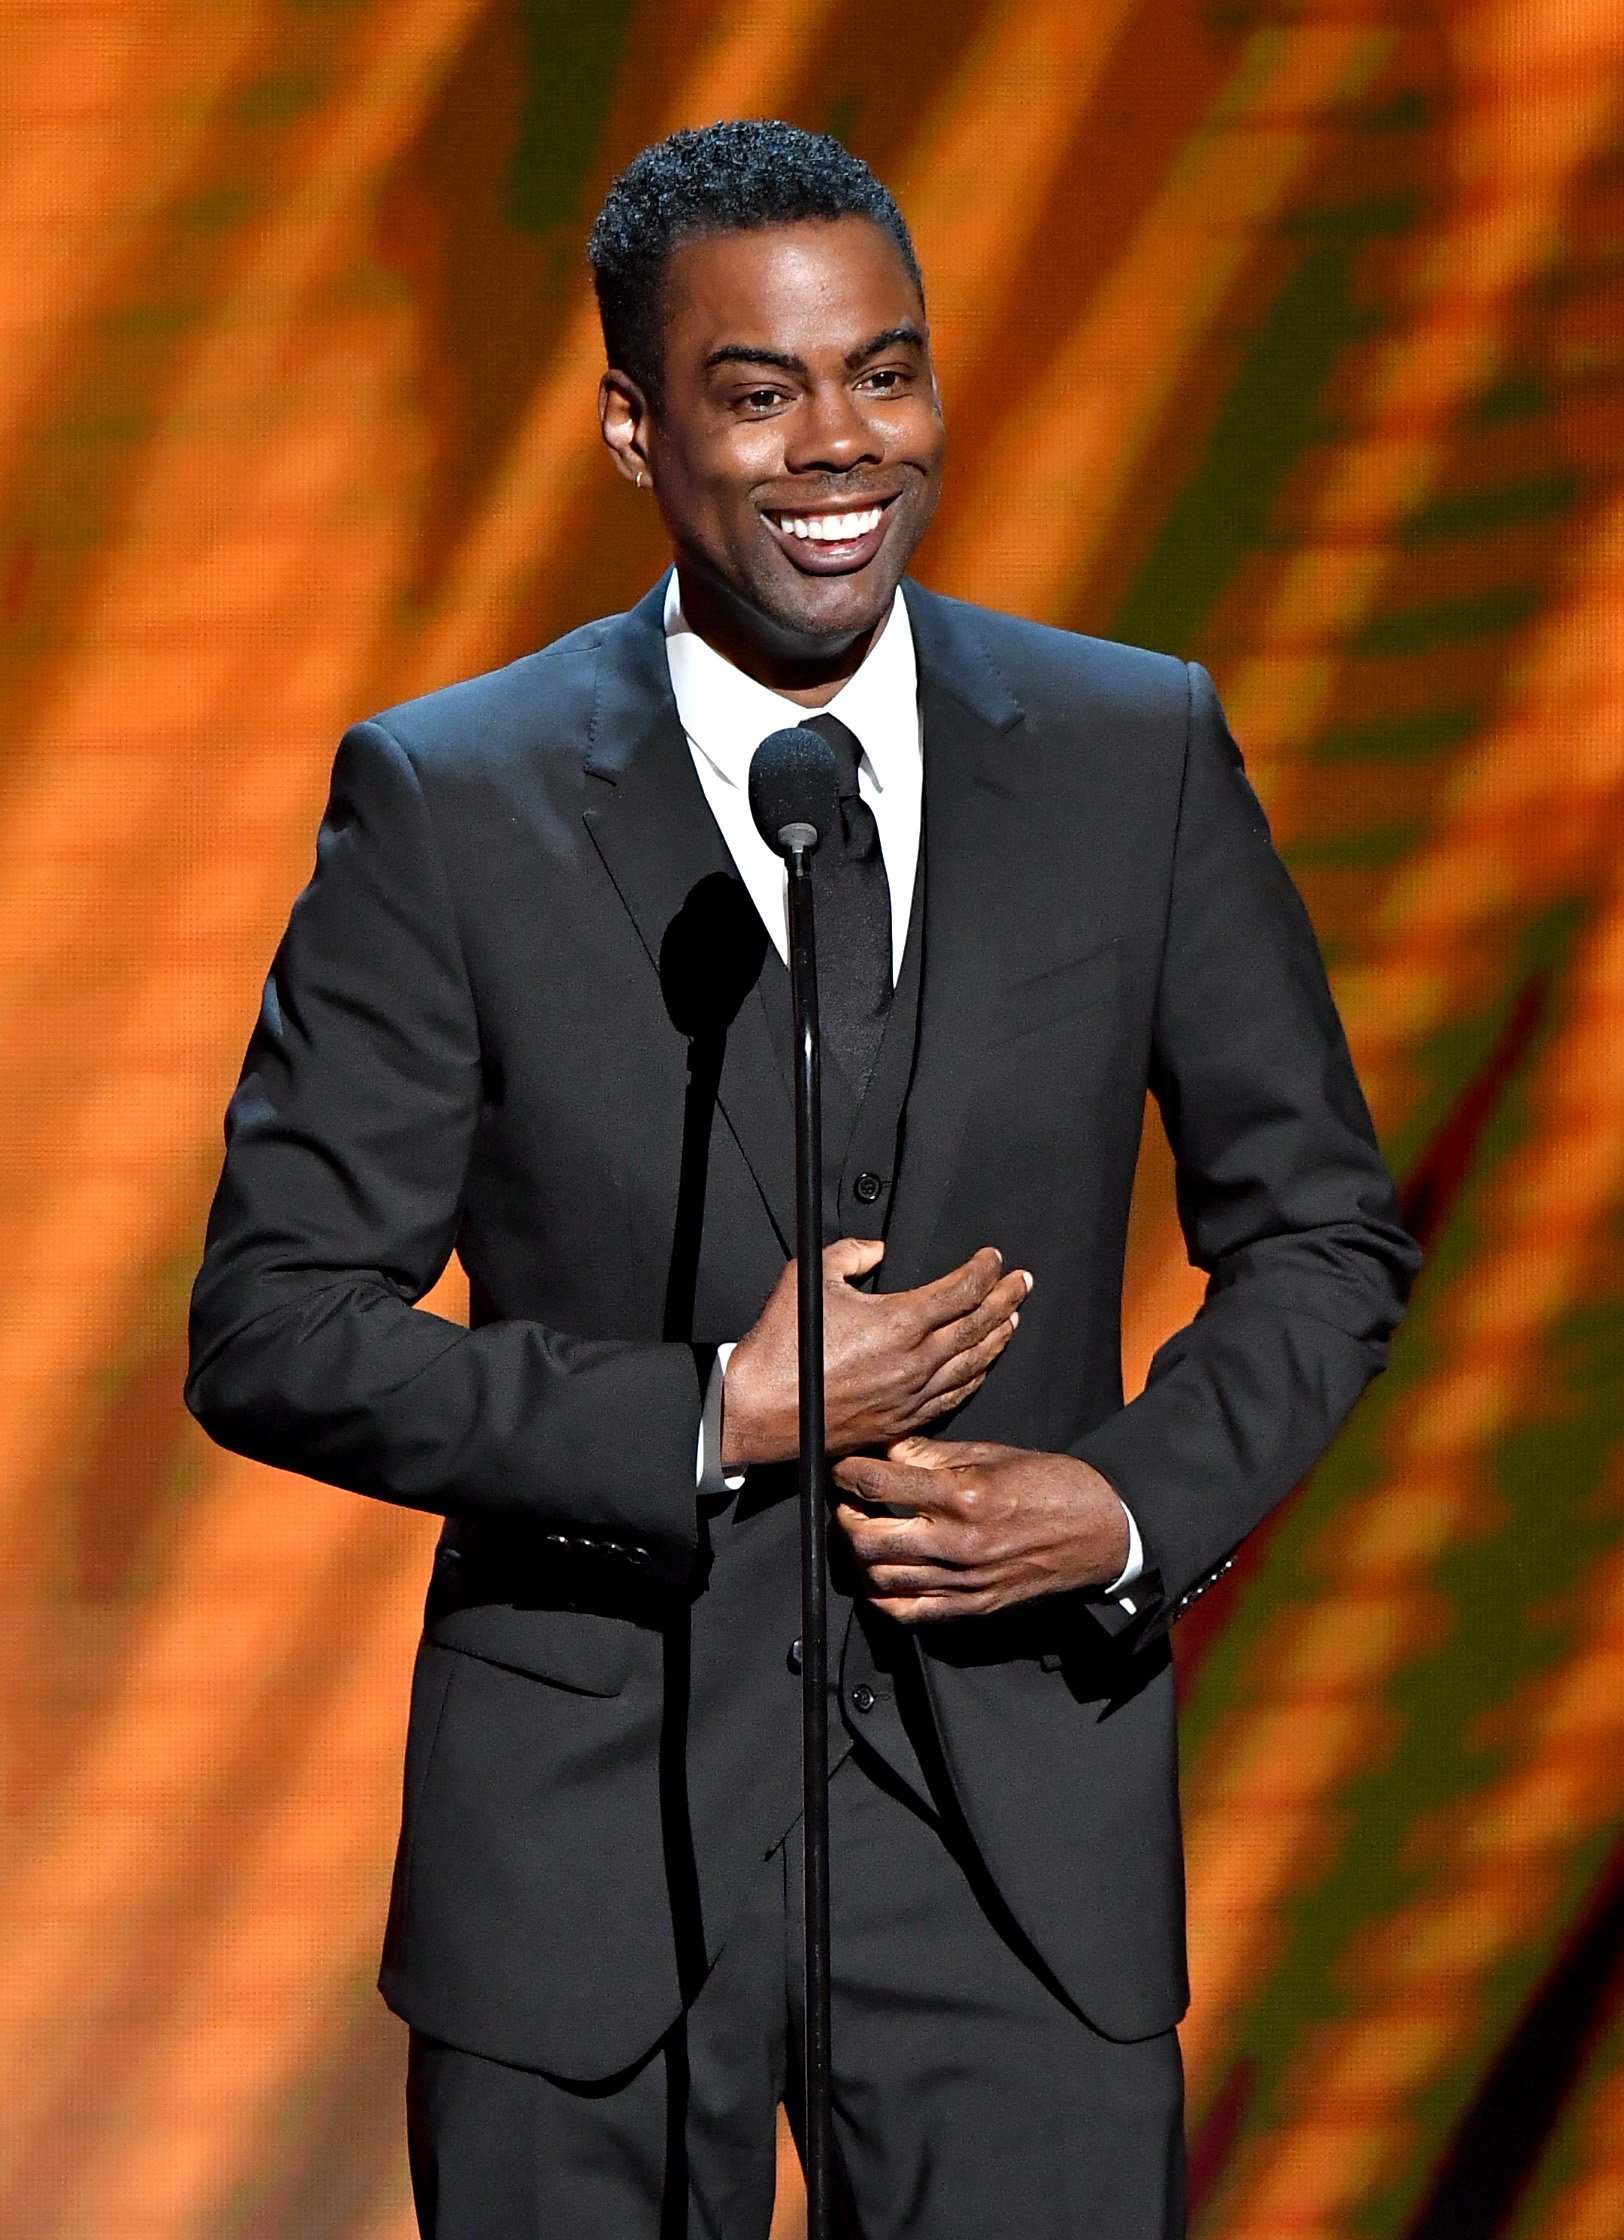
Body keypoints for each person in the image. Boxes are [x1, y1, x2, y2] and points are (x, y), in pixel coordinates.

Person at [187, 120, 1419, 2240]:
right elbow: (273, 1322)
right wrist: (701, 1417)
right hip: (583, 1874)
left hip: (1015, 1850)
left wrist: (1129, 1501)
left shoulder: (1132, 757)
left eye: (885, 371)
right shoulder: (451, 803)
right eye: (756, 391)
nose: (837, 444)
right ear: (630, 422)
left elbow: (1317, 1232)